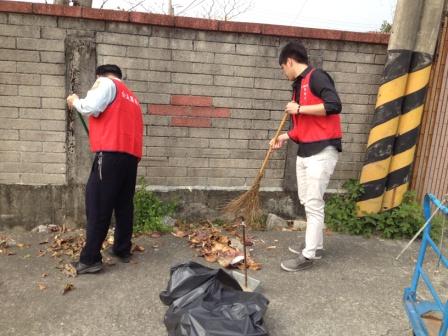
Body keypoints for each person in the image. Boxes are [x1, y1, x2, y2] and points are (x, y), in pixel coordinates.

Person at [270, 41, 342, 272]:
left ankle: (308, 255)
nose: (284, 72)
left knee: (313, 203)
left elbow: (334, 105)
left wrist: (299, 109)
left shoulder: (317, 77)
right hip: (306, 150)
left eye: (283, 67)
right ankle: (316, 246)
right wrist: (285, 136)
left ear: (289, 61)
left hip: (322, 151)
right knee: (306, 200)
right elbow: (304, 126)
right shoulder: (298, 86)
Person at [66, 64, 143, 275]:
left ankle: (90, 259)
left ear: (99, 75)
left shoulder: (105, 82)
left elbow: (90, 107)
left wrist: (75, 101)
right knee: (124, 205)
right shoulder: (132, 97)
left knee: (98, 204)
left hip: (109, 155)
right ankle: (122, 249)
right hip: (130, 158)